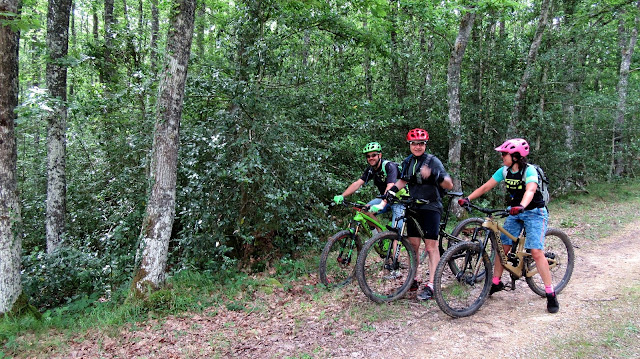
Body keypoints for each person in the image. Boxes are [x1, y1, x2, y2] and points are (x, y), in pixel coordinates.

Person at [457, 138, 559, 313]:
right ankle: (496, 282)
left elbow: (531, 190)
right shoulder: (504, 171)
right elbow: (486, 187)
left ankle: (550, 293)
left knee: (535, 251)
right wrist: (468, 198)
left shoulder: (530, 171)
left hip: (535, 212)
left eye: (505, 154)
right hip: (514, 211)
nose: (502, 157)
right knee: (502, 247)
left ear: (517, 156)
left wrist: (522, 206)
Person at [371, 128, 454, 299]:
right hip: (413, 207)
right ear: (409, 145)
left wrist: (433, 175)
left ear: (425, 145)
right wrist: (391, 192)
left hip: (431, 207)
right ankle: (413, 279)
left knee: (431, 247)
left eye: (421, 143)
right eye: (414, 144)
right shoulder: (408, 161)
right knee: (413, 246)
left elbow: (449, 184)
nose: (418, 147)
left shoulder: (433, 161)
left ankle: (432, 284)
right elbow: (403, 180)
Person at [333, 142, 404, 235]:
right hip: (385, 198)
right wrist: (342, 196)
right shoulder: (371, 169)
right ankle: (380, 237)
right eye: (368, 156)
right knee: (364, 211)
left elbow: (390, 186)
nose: (370, 158)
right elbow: (357, 183)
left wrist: (382, 204)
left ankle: (392, 242)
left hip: (400, 199)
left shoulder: (389, 166)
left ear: (380, 155)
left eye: (373, 155)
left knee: (396, 234)